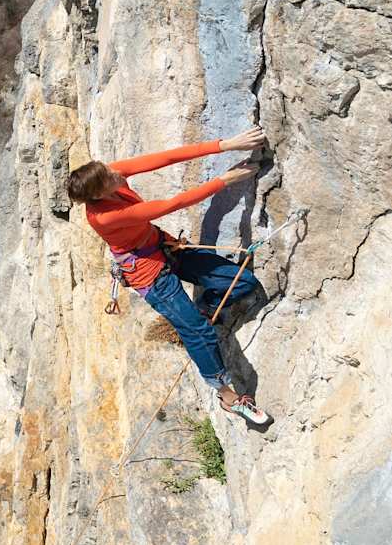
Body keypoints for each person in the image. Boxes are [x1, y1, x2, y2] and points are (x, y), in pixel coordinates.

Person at [65, 127, 270, 425]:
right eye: (109, 177)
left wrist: (227, 144)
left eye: (109, 170)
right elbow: (171, 205)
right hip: (150, 275)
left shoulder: (107, 176)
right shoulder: (105, 216)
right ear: (98, 194)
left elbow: (167, 157)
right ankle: (228, 397)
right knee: (199, 332)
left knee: (242, 282)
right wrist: (224, 180)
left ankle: (199, 313)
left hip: (165, 247)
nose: (116, 173)